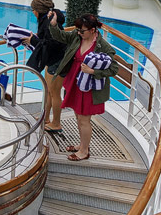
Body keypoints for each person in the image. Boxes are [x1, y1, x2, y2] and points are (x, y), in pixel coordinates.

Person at [48, 11, 118, 161]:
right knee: (77, 116)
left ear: (92, 30)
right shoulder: (77, 36)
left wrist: (93, 71)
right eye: (78, 30)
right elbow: (60, 36)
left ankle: (84, 151)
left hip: (89, 87)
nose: (79, 33)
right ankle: (82, 145)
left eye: (82, 31)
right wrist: (53, 25)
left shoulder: (102, 46)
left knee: (84, 119)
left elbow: (114, 69)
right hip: (75, 81)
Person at [20, 0, 66, 134]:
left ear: (38, 11)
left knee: (55, 93)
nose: (33, 12)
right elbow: (47, 39)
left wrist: (33, 41)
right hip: (52, 59)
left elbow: (52, 43)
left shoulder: (48, 22)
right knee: (48, 90)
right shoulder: (49, 18)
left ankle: (56, 123)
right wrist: (36, 38)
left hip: (58, 60)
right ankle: (45, 118)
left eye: (33, 10)